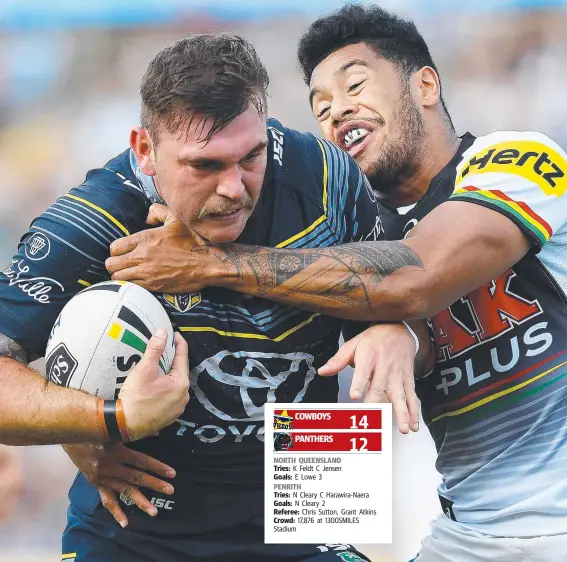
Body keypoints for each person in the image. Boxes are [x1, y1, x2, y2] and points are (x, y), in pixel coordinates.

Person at [107, 6, 567, 561]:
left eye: (356, 84)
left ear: (425, 84)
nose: (338, 112)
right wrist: (94, 433)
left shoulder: (515, 160)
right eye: (321, 107)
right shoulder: (341, 239)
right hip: (466, 535)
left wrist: (214, 263)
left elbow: (412, 278)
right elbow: (316, 395)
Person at [0, 32, 396, 562]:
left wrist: (394, 325)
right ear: (145, 151)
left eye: (251, 156)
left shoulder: (326, 177)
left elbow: (405, 278)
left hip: (310, 513)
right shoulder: (93, 220)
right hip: (138, 534)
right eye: (205, 166)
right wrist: (105, 419)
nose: (234, 187)